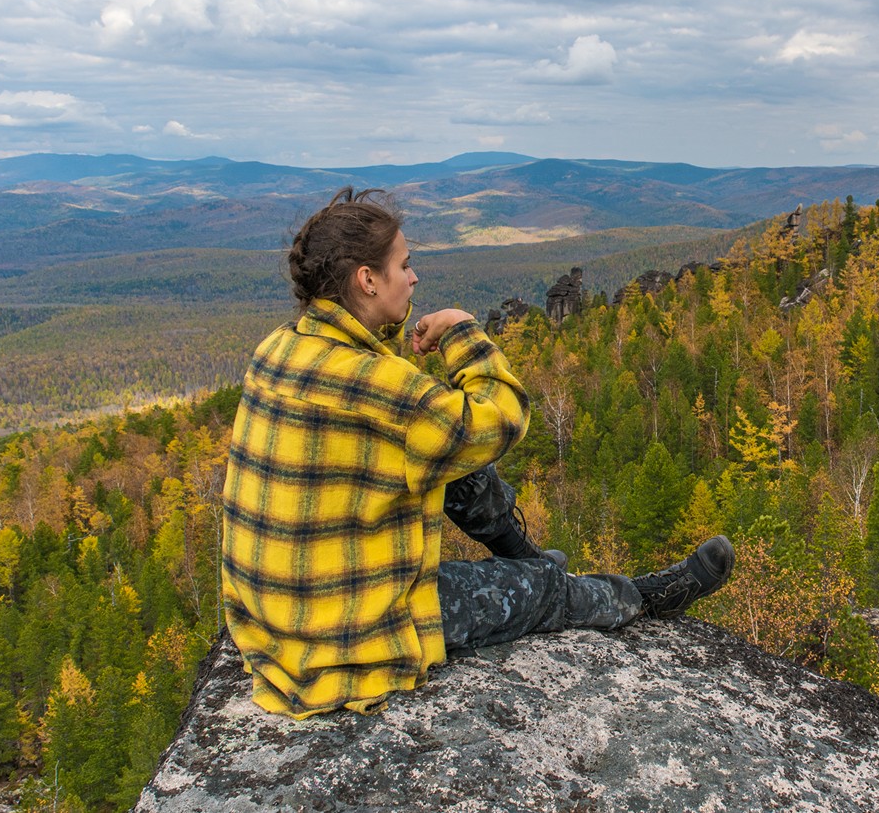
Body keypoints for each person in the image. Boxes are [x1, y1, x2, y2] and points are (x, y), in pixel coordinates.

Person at [220, 187, 734, 718]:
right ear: (367, 280)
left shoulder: (280, 348)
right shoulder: (377, 386)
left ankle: (526, 558)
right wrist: (463, 332)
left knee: (455, 468)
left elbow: (401, 417)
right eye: (404, 265)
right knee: (534, 592)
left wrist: (395, 324)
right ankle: (637, 599)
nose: (414, 277)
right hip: (346, 641)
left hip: (278, 622)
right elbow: (503, 416)